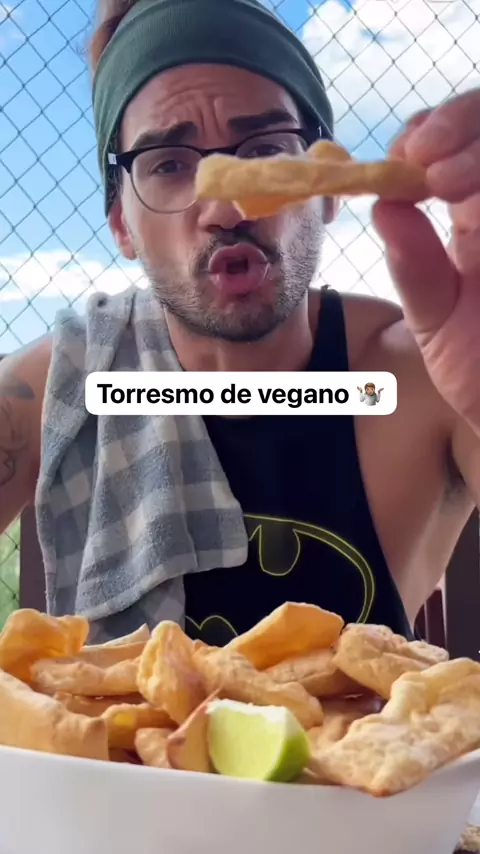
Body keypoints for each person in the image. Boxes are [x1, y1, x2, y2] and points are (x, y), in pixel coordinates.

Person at [0, 0, 479, 646]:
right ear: (121, 226)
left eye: (267, 150)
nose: (226, 207)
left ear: (327, 189)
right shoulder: (61, 385)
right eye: (169, 164)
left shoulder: (426, 379)